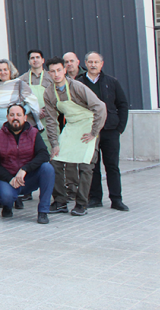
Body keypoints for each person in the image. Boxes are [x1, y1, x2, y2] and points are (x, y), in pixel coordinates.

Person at [43, 57, 106, 217]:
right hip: (71, 126)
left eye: (59, 70)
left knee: (85, 166)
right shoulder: (49, 93)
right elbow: (50, 120)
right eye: (52, 71)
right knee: (55, 161)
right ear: (48, 73)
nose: (56, 74)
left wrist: (94, 132)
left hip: (88, 124)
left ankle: (81, 204)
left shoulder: (77, 87)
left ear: (64, 70)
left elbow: (100, 107)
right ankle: (60, 201)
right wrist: (54, 143)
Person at [79, 52, 130, 211]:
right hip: (89, 131)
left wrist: (119, 128)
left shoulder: (112, 82)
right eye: (90, 62)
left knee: (112, 166)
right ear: (86, 63)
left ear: (102, 64)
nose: (93, 65)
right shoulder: (79, 83)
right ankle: (95, 198)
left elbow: (122, 104)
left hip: (110, 130)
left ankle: (116, 199)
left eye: (96, 62)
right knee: (92, 166)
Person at [0, 104, 54, 224]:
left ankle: (43, 211)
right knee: (6, 196)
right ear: (7, 117)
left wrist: (25, 169)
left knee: (48, 169)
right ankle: (7, 206)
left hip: (28, 178)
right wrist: (10, 179)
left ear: (25, 117)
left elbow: (44, 155)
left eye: (19, 115)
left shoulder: (34, 133)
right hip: (7, 178)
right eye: (12, 115)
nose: (15, 118)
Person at [0, 59, 36, 132]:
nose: (3, 72)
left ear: (10, 71)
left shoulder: (20, 84)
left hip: (15, 129)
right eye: (0, 70)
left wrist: (19, 114)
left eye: (5, 69)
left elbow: (32, 103)